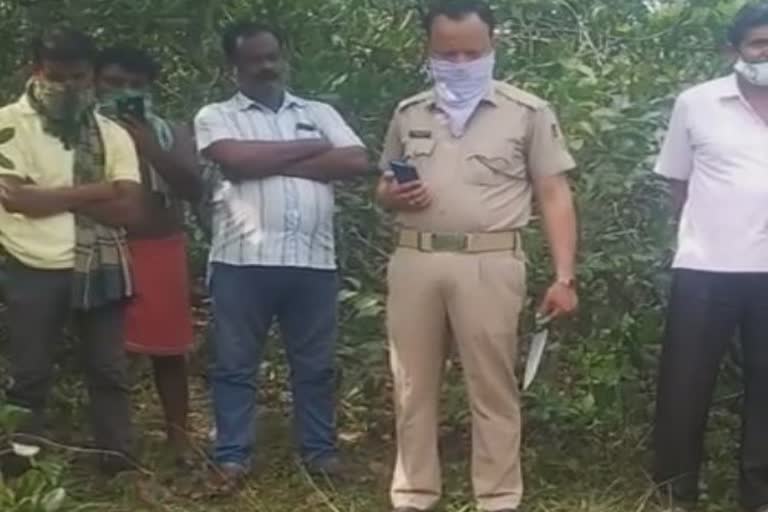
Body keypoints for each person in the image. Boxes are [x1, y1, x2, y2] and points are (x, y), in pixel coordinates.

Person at [376, 1, 579, 511]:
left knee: (492, 386)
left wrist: (564, 276)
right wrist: (391, 196)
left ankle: (498, 497)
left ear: (493, 45)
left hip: (490, 261)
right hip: (415, 260)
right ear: (429, 50)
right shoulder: (409, 113)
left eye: (473, 51)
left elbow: (554, 194)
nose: (461, 62)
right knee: (411, 384)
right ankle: (414, 493)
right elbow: (383, 183)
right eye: (448, 53)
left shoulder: (527, 112)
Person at [193, 21, 369, 484]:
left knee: (316, 366)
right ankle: (232, 455)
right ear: (234, 66)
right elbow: (235, 160)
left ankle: (320, 453)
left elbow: (355, 161)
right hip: (241, 263)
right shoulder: (216, 114)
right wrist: (312, 150)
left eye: (272, 56)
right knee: (234, 365)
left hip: (312, 262)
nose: (266, 66)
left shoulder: (319, 110)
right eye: (255, 59)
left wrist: (269, 157)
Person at [0, 28, 143, 474]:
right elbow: (16, 199)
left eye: (78, 77)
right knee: (30, 375)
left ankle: (116, 463)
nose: (68, 87)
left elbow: (129, 209)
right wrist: (98, 190)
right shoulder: (8, 124)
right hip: (30, 267)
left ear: (91, 76)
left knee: (109, 371)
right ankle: (21, 467)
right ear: (37, 71)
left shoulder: (111, 133)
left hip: (98, 265)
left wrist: (53, 196)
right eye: (57, 77)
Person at [653, 3, 768, 512]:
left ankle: (759, 494)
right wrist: (708, 230)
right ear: (733, 50)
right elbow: (678, 182)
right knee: (685, 386)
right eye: (760, 45)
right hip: (706, 267)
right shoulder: (696, 104)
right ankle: (677, 492)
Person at [94, 46, 202, 463]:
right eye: (115, 83)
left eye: (135, 85)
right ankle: (113, 445)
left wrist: (144, 145)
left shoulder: (169, 131)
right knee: (106, 352)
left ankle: (179, 441)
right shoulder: (80, 133)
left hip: (161, 247)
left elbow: (194, 187)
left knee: (169, 351)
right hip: (102, 245)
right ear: (95, 83)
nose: (124, 92)